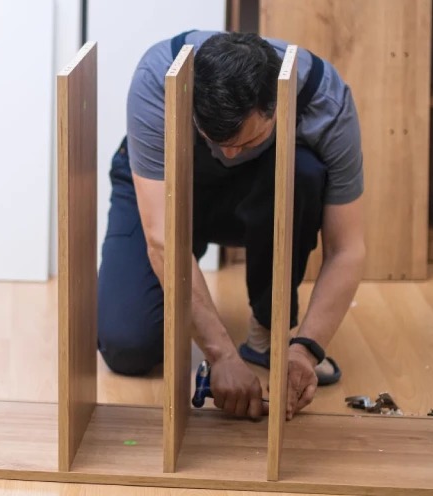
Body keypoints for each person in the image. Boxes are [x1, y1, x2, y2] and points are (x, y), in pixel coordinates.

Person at [96, 30, 365, 420]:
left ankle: (268, 331)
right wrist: (219, 353)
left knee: (302, 172)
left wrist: (307, 348)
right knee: (127, 347)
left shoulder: (327, 102)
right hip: (167, 192)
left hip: (259, 196)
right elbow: (163, 238)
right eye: (214, 139)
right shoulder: (158, 79)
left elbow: (348, 249)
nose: (227, 154)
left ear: (276, 105)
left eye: (245, 141)